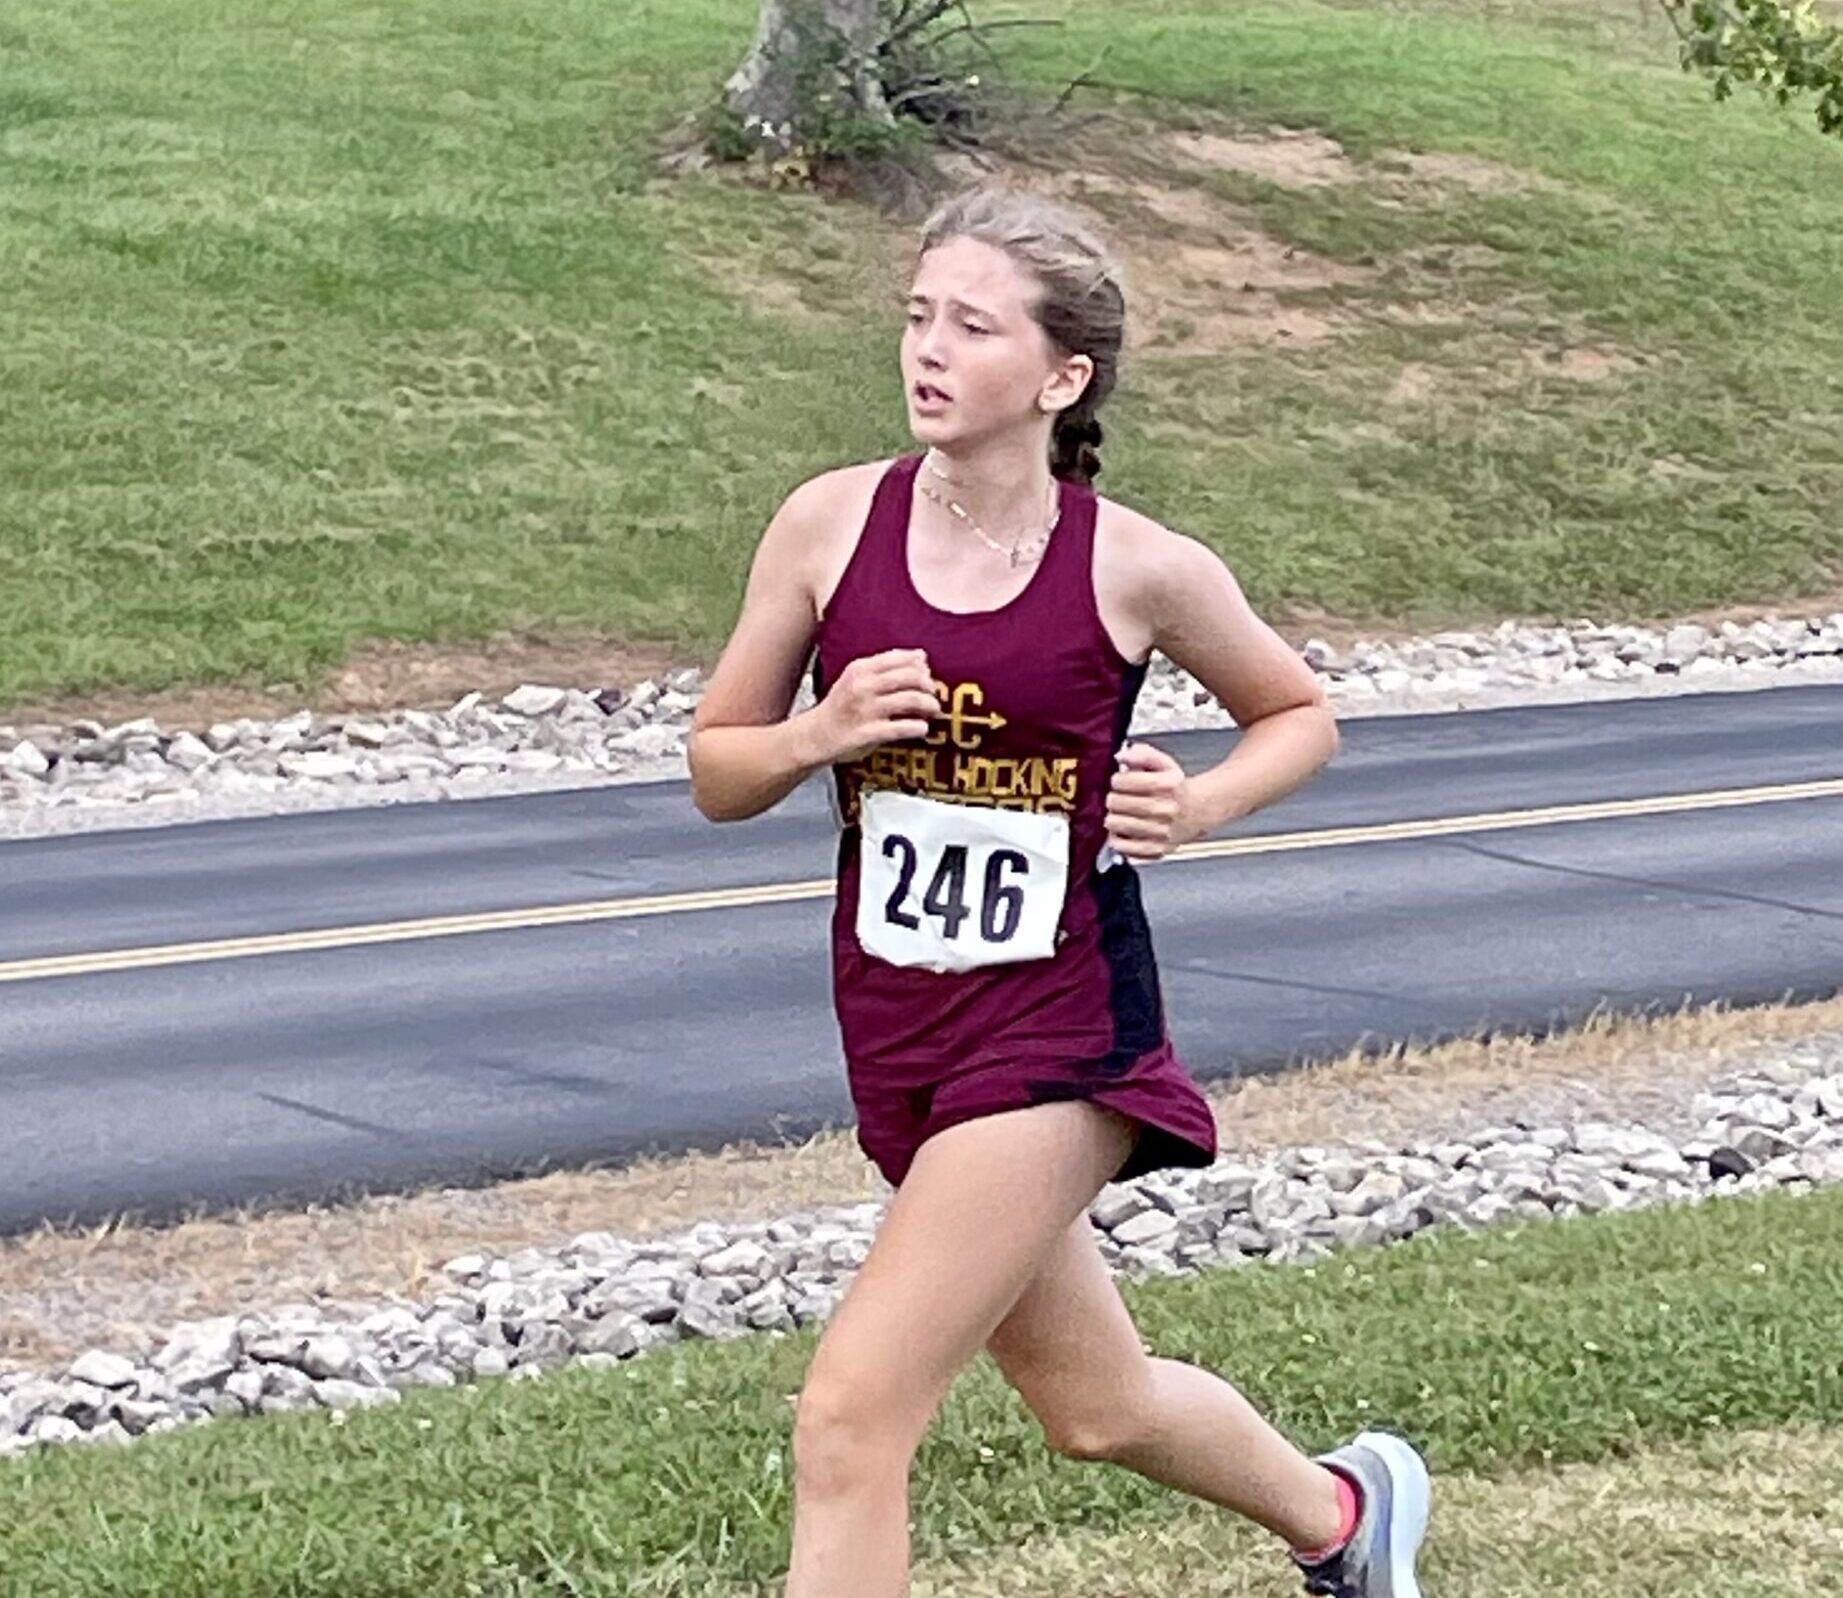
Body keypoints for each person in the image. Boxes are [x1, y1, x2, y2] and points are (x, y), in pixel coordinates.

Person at [687, 186, 1430, 1598]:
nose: (929, 348)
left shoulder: (1137, 566)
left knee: (850, 1417)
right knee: (1097, 1405)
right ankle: (1346, 1512)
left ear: (1061, 377)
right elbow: (718, 770)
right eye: (919, 317)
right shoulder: (828, 526)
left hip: (1060, 1024)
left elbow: (1298, 712)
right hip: (896, 1017)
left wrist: (1199, 803)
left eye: (974, 327)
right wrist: (817, 733)